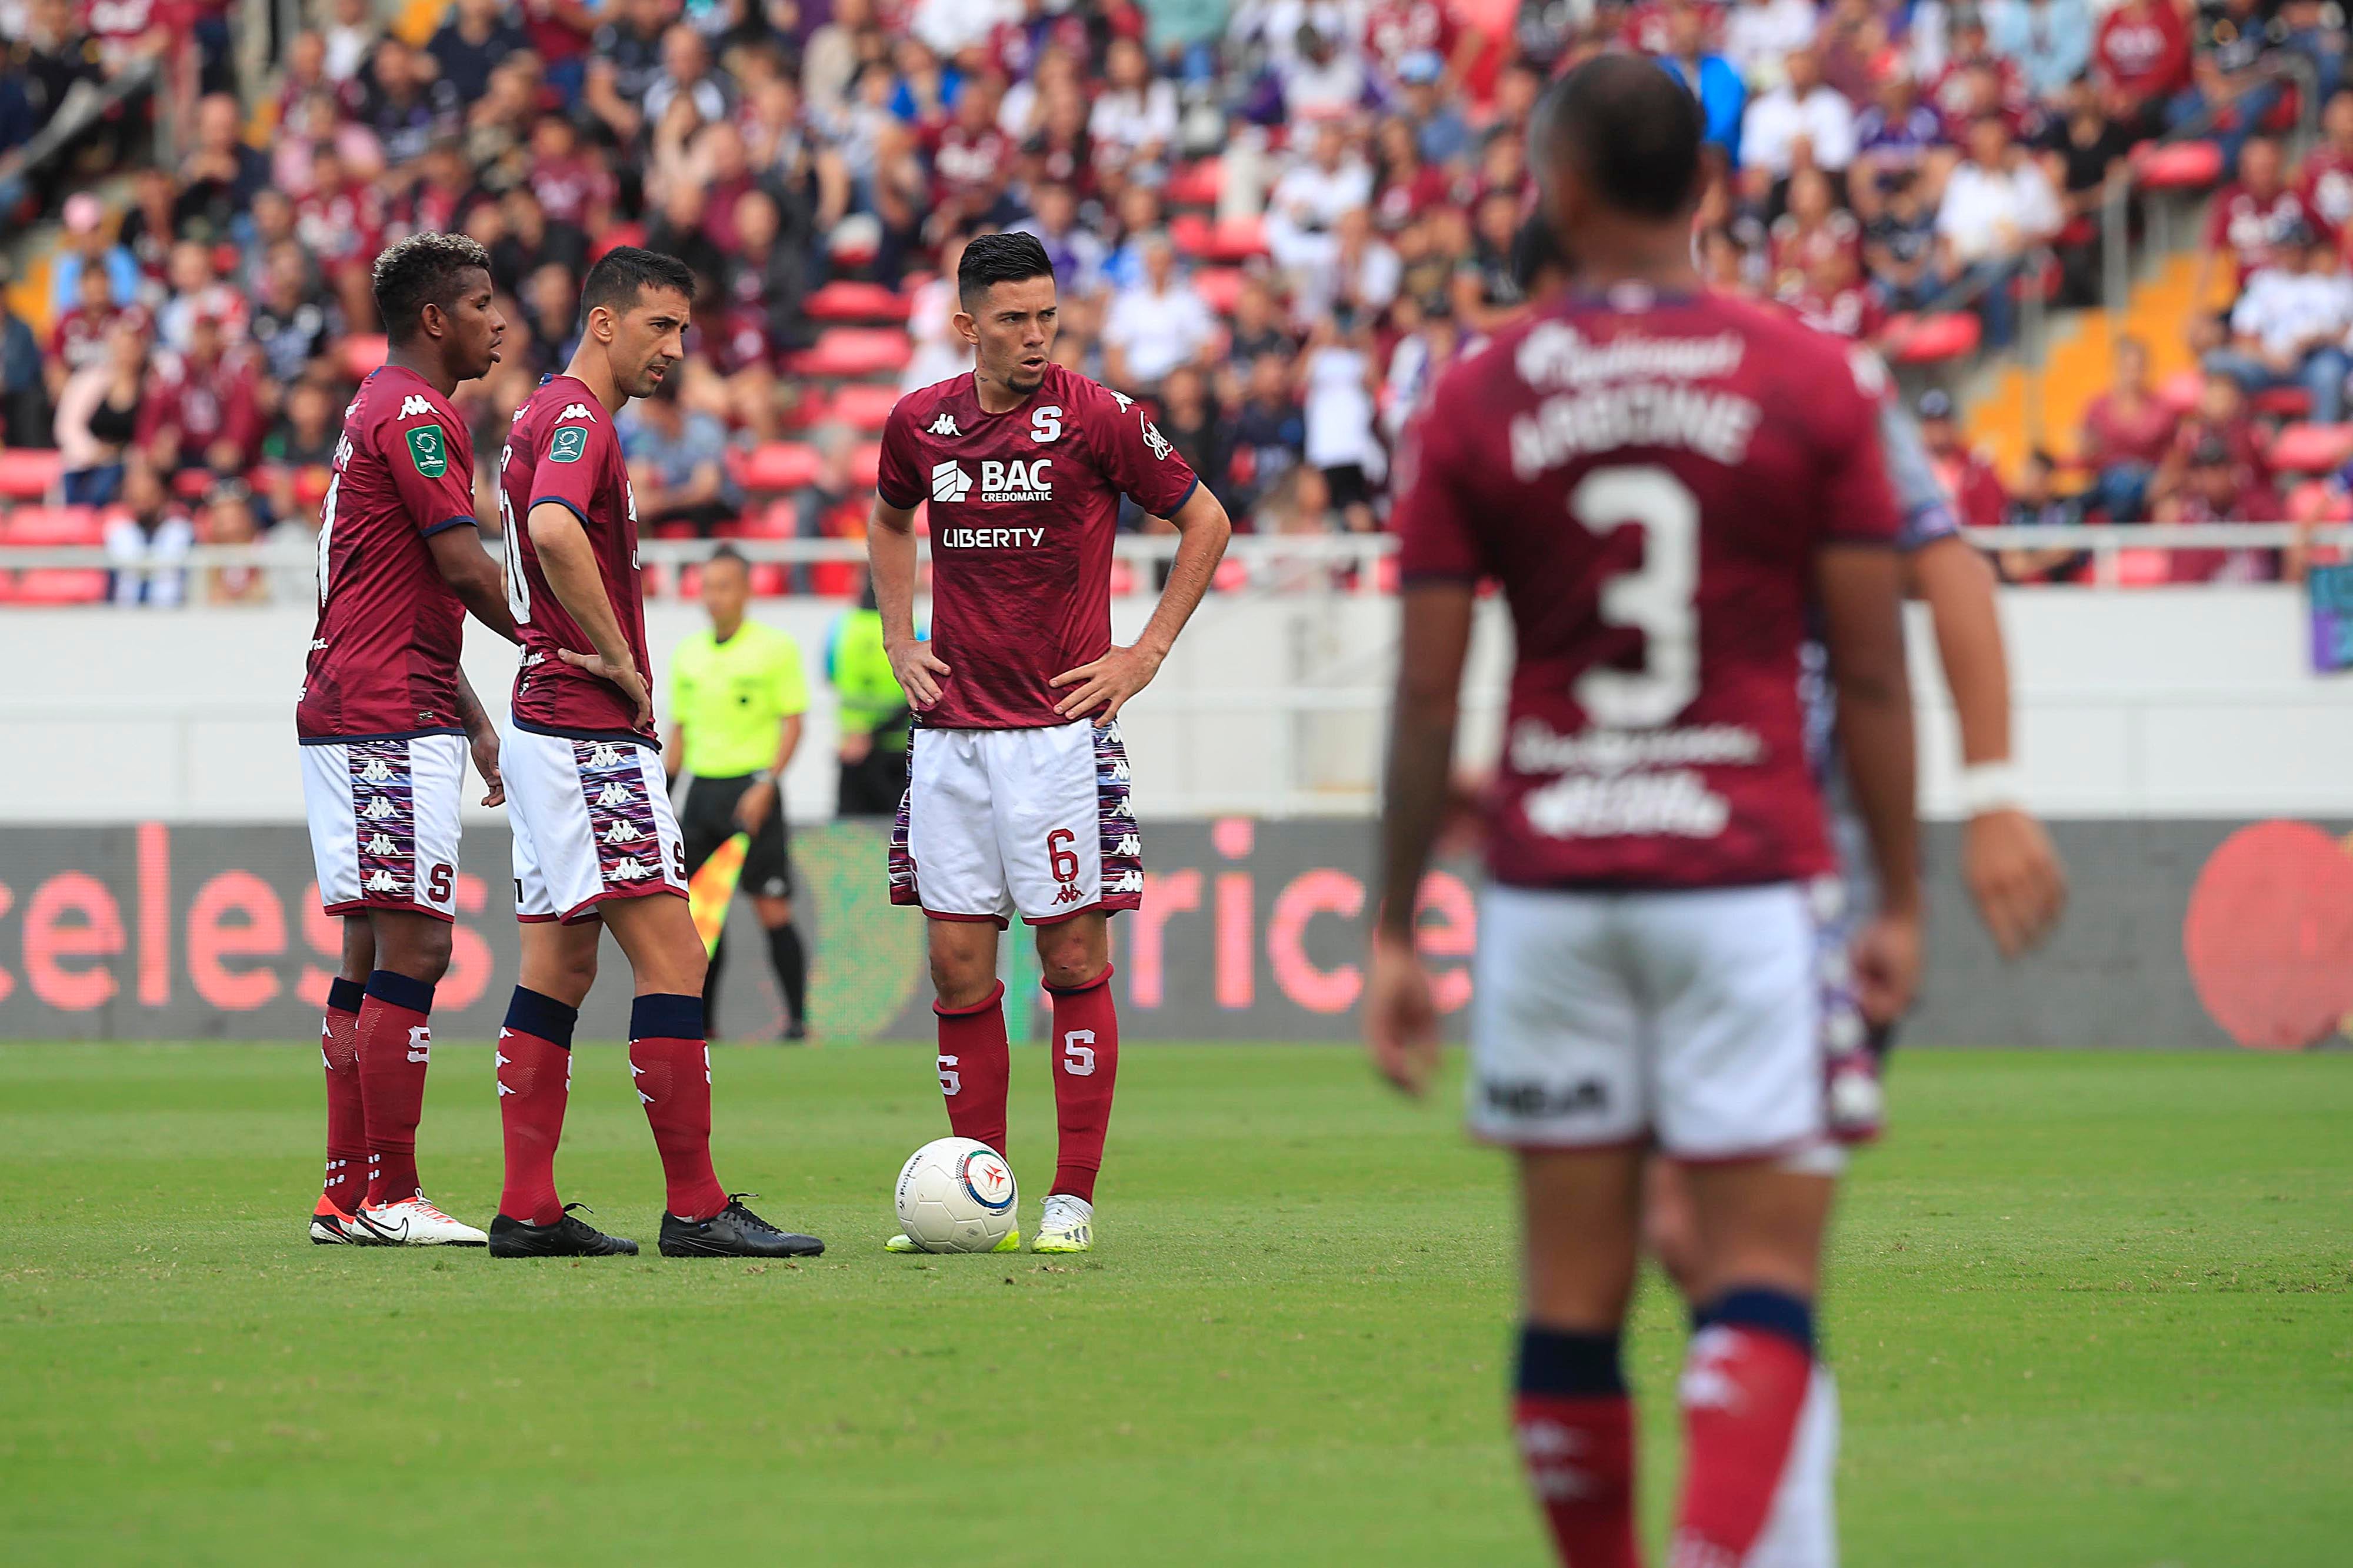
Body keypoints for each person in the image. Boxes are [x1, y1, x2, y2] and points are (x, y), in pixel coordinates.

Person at [1364, 57, 1921, 1567]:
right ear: (1709, 186)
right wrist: (1902, 899)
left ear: (1556, 184)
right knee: (1755, 1278)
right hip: (1742, 875)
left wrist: (1392, 918)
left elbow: (1424, 695)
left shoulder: (1475, 393)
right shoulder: (1813, 380)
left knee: (1568, 1297)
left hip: (1549, 885)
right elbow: (1871, 672)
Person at [868, 232, 1232, 1256]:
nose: (1037, 337)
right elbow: (889, 520)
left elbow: (1206, 520)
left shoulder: (1101, 419)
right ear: (967, 324)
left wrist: (1146, 653)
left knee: (1071, 957)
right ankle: (980, 1187)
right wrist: (900, 635)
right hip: (951, 736)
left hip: (1060, 738)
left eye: (1047, 317)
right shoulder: (919, 424)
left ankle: (1070, 1198)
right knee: (954, 967)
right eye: (1016, 319)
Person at [490, 246, 823, 1262]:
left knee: (558, 959)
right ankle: (695, 1205)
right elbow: (551, 528)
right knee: (675, 954)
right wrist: (620, 659)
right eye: (661, 326)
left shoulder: (541, 411)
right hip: (589, 727)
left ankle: (528, 1208)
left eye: (683, 329)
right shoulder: (582, 420)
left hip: (547, 720)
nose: (677, 348)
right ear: (604, 322)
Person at [296, 233, 518, 1248]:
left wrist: (473, 716)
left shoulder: (373, 407)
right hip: (385, 711)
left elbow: (400, 590)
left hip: (375, 697)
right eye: (480, 303)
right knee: (419, 944)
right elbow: (467, 570)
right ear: (436, 319)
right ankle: (390, 1192)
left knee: (370, 943)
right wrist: (569, 641)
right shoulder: (421, 416)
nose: (497, 320)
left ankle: (347, 1195)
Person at [667, 546, 812, 1042]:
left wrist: (767, 783)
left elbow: (794, 724)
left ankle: (797, 1023)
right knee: (703, 918)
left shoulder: (774, 649)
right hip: (702, 792)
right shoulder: (689, 655)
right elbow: (679, 734)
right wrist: (663, 793)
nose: (713, 597)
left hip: (752, 790)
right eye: (706, 586)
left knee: (772, 909)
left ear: (747, 591)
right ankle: (705, 1027)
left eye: (723, 585)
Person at [826, 578, 914, 816]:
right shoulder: (914, 629)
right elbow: (921, 691)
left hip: (854, 750)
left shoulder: (840, 628)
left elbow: (830, 676)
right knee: (898, 835)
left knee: (850, 838)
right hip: (898, 750)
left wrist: (862, 732)